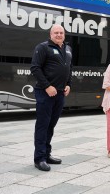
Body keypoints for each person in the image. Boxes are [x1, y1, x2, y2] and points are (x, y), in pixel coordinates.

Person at [30, 24, 72, 171]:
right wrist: (47, 86)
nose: (59, 35)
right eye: (56, 32)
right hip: (45, 93)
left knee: (51, 125)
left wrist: (68, 84)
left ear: (64, 34)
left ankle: (47, 154)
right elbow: (35, 68)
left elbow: (68, 68)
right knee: (43, 125)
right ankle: (39, 158)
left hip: (60, 93)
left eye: (61, 32)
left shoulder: (67, 48)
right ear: (50, 34)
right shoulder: (43, 47)